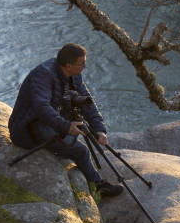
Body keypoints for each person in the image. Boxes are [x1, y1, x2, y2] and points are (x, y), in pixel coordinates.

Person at [8, 43, 123, 197]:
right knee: (81, 150)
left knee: (78, 129)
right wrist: (66, 126)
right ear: (69, 65)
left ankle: (68, 148)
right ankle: (99, 185)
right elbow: (41, 107)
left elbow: (86, 101)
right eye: (82, 63)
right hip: (27, 129)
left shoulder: (73, 74)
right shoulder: (43, 76)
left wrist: (99, 129)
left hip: (50, 120)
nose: (85, 66)